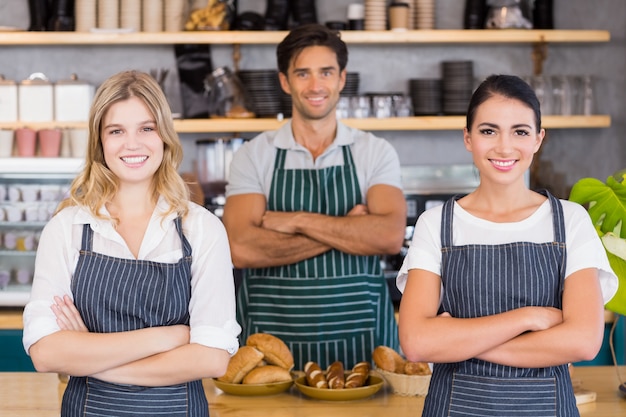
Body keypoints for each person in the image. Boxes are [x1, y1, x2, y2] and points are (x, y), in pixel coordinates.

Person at [22, 70, 241, 417]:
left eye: (147, 128)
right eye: (116, 131)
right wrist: (167, 337)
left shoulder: (202, 229)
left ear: (164, 136)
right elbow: (46, 353)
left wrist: (88, 359)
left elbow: (211, 358)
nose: (132, 144)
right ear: (100, 141)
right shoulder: (66, 229)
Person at [397, 74, 618, 416]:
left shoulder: (571, 220)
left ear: (538, 139)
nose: (504, 146)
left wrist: (458, 342)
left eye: (520, 131)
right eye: (488, 131)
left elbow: (584, 342)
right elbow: (416, 343)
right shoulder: (437, 224)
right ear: (468, 138)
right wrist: (527, 318)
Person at [222, 23, 406, 370]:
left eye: (326, 72)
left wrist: (297, 221)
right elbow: (241, 248)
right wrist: (349, 231)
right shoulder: (254, 155)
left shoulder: (374, 152)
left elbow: (389, 236)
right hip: (270, 346)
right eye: (302, 74)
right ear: (285, 81)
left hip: (362, 342)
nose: (315, 85)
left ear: (341, 79)